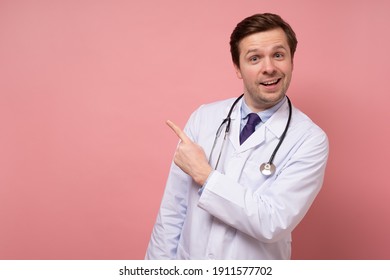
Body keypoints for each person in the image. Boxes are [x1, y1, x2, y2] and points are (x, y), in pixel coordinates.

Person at [145, 13, 329, 260]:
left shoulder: (310, 139)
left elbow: (273, 221)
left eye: (278, 55)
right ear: (238, 68)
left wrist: (205, 176)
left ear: (291, 61)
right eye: (254, 58)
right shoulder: (204, 118)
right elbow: (172, 211)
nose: (269, 68)